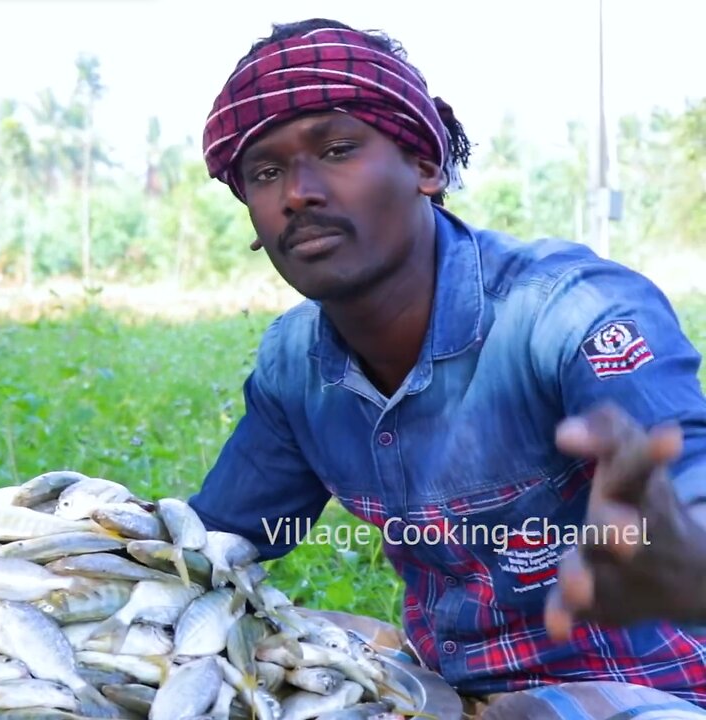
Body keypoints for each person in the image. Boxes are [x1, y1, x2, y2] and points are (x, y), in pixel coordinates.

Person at [188, 17, 706, 719]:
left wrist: (689, 561)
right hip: (448, 694)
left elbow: (690, 498)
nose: (298, 192)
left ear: (426, 168)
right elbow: (210, 548)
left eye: (337, 149)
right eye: (266, 173)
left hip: (654, 696)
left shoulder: (572, 313)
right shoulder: (294, 366)